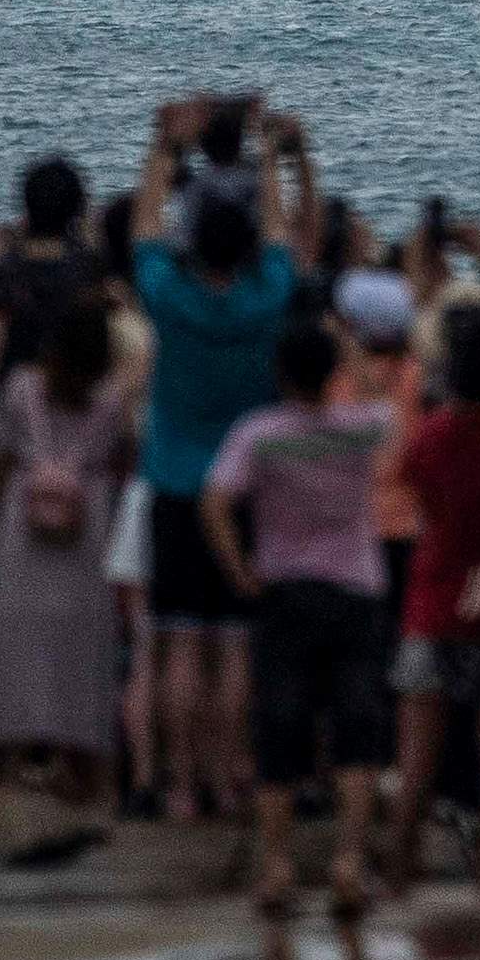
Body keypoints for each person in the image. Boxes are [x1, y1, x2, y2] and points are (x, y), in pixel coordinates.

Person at [129, 96, 315, 829]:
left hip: (174, 479)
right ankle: (235, 776)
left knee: (176, 640)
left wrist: (164, 148)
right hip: (244, 486)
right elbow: (281, 234)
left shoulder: (168, 296)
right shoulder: (268, 298)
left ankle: (179, 784)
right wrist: (271, 154)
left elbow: (144, 227)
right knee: (237, 647)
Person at [204, 315, 399, 946]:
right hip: (354, 589)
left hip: (284, 591)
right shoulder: (361, 429)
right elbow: (380, 398)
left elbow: (214, 502)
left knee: (280, 724)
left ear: (281, 373)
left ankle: (279, 866)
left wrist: (240, 572)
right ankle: (347, 861)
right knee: (358, 727)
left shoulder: (260, 434)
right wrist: (350, 350)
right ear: (332, 373)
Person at [387, 306, 480, 894]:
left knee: (417, 754)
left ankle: (398, 869)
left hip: (434, 598)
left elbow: (415, 486)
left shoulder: (435, 434)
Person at [0, 292, 129, 787]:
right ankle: (86, 775)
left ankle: (8, 765)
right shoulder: (111, 400)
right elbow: (122, 458)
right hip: (87, 531)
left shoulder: (21, 386)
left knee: (15, 642)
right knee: (80, 648)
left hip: (23, 525)